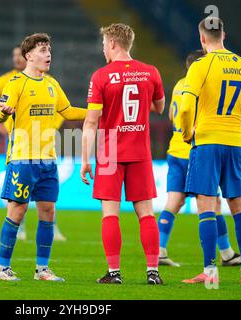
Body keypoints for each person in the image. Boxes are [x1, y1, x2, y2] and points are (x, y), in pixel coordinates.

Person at [180, 17, 241, 285]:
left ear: (201, 39)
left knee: (207, 206)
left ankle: (210, 272)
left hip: (207, 141)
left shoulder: (200, 66)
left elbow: (185, 108)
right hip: (234, 143)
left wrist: (187, 134)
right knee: (239, 206)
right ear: (224, 35)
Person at [0, 33, 87, 281]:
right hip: (23, 158)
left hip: (48, 160)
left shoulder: (52, 84)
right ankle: (3, 269)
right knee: (18, 211)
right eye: (43, 51)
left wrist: (95, 112)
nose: (48, 55)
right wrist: (4, 114)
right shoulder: (16, 83)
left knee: (48, 211)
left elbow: (67, 111)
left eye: (49, 50)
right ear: (29, 56)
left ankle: (42, 270)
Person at [81, 23, 165, 285]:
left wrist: (84, 159)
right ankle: (153, 272)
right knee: (147, 214)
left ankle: (114, 273)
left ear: (114, 44)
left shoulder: (101, 76)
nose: (104, 48)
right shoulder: (150, 72)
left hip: (109, 152)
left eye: (105, 43)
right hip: (139, 150)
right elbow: (159, 107)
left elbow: (91, 122)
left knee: (110, 214)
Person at [158, 50, 240, 268]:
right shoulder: (202, 86)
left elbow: (171, 116)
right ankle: (226, 253)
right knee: (213, 203)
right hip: (196, 150)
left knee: (173, 201)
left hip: (175, 150)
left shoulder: (178, 85)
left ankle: (160, 250)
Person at [0, 45, 67, 241]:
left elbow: (61, 109)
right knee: (18, 191)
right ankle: (20, 227)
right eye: (14, 55)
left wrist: (52, 126)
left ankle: (53, 227)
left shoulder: (47, 82)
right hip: (19, 141)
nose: (16, 59)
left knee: (47, 192)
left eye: (19, 55)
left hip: (43, 140)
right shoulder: (8, 81)